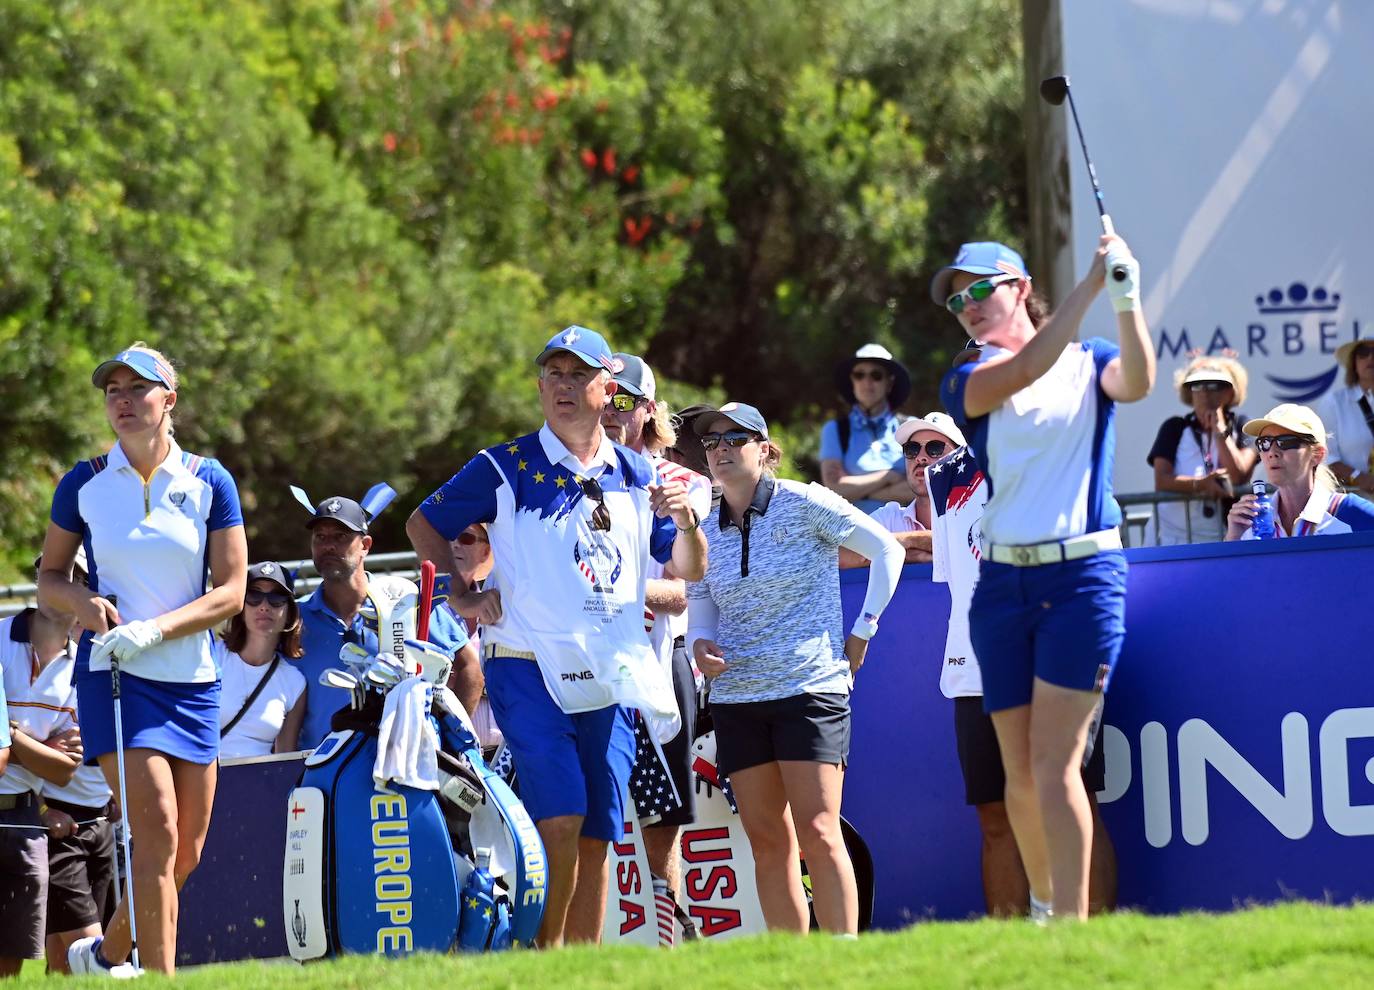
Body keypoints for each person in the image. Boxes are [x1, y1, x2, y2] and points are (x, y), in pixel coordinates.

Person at [406, 325, 707, 947]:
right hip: (525, 664)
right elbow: (424, 522)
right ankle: (545, 959)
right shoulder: (505, 465)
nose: (563, 387)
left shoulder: (635, 471)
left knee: (599, 826)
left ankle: (578, 966)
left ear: (608, 387)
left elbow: (687, 568)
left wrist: (687, 523)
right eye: (553, 375)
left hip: (614, 671)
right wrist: (460, 593)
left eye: (578, 375)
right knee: (563, 817)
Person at [935, 236, 1153, 922]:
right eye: (956, 299)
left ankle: (1072, 932)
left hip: (1083, 580)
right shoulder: (966, 381)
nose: (966, 306)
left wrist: (1126, 299)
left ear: (1020, 286)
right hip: (1001, 586)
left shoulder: (1092, 363)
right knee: (1018, 774)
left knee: (1057, 767)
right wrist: (1090, 285)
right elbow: (1027, 365)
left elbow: (1140, 382)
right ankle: (1045, 907)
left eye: (979, 290)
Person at [37, 344, 248, 975]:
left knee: (186, 852)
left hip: (193, 681)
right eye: (113, 391)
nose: (123, 401)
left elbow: (232, 592)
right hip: (116, 677)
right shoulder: (84, 481)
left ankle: (104, 954)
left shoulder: (210, 480)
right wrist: (83, 600)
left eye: (138, 389)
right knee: (154, 832)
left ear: (169, 400)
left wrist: (155, 630)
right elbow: (49, 577)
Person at [686, 402, 903, 936]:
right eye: (711, 442)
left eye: (734, 438)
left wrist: (864, 630)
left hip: (809, 690)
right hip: (736, 697)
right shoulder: (703, 522)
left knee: (820, 831)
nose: (720, 451)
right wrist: (697, 642)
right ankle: (796, 965)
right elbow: (699, 593)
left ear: (766, 449)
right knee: (767, 839)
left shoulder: (805, 502)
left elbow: (886, 550)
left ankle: (843, 960)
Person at [602, 353, 714, 940]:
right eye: (606, 396)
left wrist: (626, 592)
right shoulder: (575, 478)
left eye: (626, 400)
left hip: (659, 653)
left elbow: (696, 584)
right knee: (589, 805)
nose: (612, 411)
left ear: (649, 411)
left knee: (664, 811)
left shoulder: (685, 485)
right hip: (589, 664)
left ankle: (667, 929)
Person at [295, 495, 478, 750]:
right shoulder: (295, 616)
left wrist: (450, 741)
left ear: (365, 545)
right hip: (322, 772)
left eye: (341, 537)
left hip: (398, 767)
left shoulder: (404, 602)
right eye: (320, 537)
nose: (329, 546)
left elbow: (470, 668)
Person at [32, 551, 119, 975]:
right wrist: (44, 809)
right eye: (52, 575)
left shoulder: (103, 651)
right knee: (90, 948)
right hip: (57, 824)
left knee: (62, 959)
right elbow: (28, 746)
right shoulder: (28, 655)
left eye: (77, 578)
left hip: (101, 821)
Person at [1, 560, 86, 977]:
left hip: (24, 817)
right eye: (56, 575)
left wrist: (9, 734)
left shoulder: (81, 670)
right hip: (25, 813)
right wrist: (39, 747)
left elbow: (64, 771)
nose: (64, 587)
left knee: (10, 967)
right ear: (40, 580)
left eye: (78, 580)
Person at [1147, 354, 1257, 544]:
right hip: (1172, 539)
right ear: (1189, 393)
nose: (1205, 393)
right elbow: (1162, 480)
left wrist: (1219, 431)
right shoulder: (1174, 427)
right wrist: (1201, 484)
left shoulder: (1243, 426)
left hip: (1224, 537)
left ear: (1231, 392)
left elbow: (1239, 476)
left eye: (1214, 386)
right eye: (1197, 386)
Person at [1225, 404, 1374, 539]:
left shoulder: (1351, 511)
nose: (1272, 452)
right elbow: (1232, 570)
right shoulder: (1252, 520)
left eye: (1286, 442)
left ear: (1318, 455)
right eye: (1264, 442)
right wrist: (1233, 538)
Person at [214, 563, 307, 759]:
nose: (264, 606)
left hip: (258, 784)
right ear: (241, 605)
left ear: (290, 612)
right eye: (254, 596)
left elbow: (284, 759)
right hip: (205, 777)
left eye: (276, 598)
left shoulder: (295, 682)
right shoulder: (213, 655)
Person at [819, 344, 912, 513]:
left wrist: (858, 490)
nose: (867, 382)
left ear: (889, 383)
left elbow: (921, 487)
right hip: (853, 536)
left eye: (876, 375)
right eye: (859, 375)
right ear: (852, 381)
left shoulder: (911, 427)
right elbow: (834, 488)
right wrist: (889, 477)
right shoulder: (835, 430)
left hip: (905, 533)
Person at [1316, 338, 1374, 494]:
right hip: (1353, 500)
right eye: (1363, 353)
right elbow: (1325, 457)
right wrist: (1359, 477)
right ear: (1353, 363)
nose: (1370, 358)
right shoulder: (1334, 403)